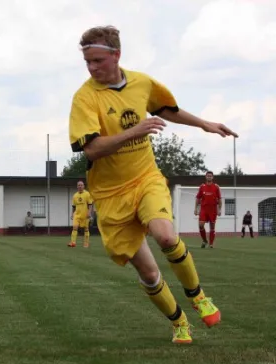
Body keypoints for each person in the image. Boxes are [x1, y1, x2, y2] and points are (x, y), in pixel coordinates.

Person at [68, 26, 238, 344]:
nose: (92, 68)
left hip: (145, 178)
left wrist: (204, 123)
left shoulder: (142, 83)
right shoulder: (85, 97)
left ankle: (198, 296)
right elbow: (91, 149)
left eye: (97, 61)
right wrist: (135, 132)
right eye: (87, 62)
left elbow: (166, 110)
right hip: (108, 195)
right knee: (148, 273)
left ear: (116, 55)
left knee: (165, 235)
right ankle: (179, 323)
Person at [194, 171, 222, 248]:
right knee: (201, 225)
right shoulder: (202, 187)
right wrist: (195, 208)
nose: (209, 177)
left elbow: (219, 199)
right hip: (203, 209)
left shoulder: (216, 187)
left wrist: (219, 209)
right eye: (208, 176)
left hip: (213, 210)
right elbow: (198, 198)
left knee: (212, 227)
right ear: (206, 177)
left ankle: (211, 244)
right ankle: (204, 240)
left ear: (212, 177)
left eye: (210, 176)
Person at [67, 180, 93, 248]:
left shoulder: (87, 194)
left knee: (86, 229)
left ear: (84, 186)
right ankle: (73, 243)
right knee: (75, 227)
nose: (80, 186)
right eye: (79, 185)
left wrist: (89, 212)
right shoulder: (75, 195)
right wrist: (72, 214)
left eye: (81, 185)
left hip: (85, 214)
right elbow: (73, 206)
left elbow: (90, 204)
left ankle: (86, 243)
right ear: (77, 186)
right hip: (77, 214)